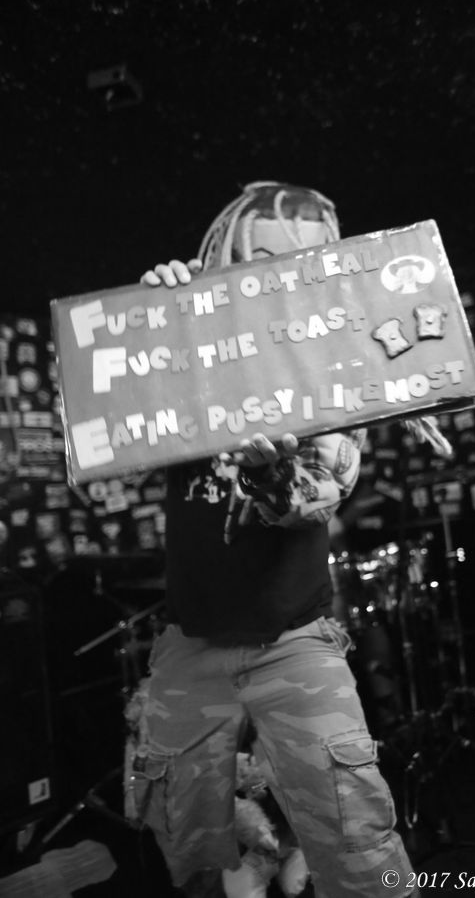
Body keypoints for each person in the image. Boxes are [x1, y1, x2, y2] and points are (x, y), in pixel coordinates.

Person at [127, 182, 418, 897]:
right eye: (261, 257)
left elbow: (321, 493)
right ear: (226, 258)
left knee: (359, 849)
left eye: (302, 258)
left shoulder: (337, 365)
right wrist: (145, 324)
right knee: (187, 849)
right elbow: (113, 433)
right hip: (192, 641)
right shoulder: (189, 344)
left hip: (294, 641)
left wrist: (267, 473)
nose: (280, 274)